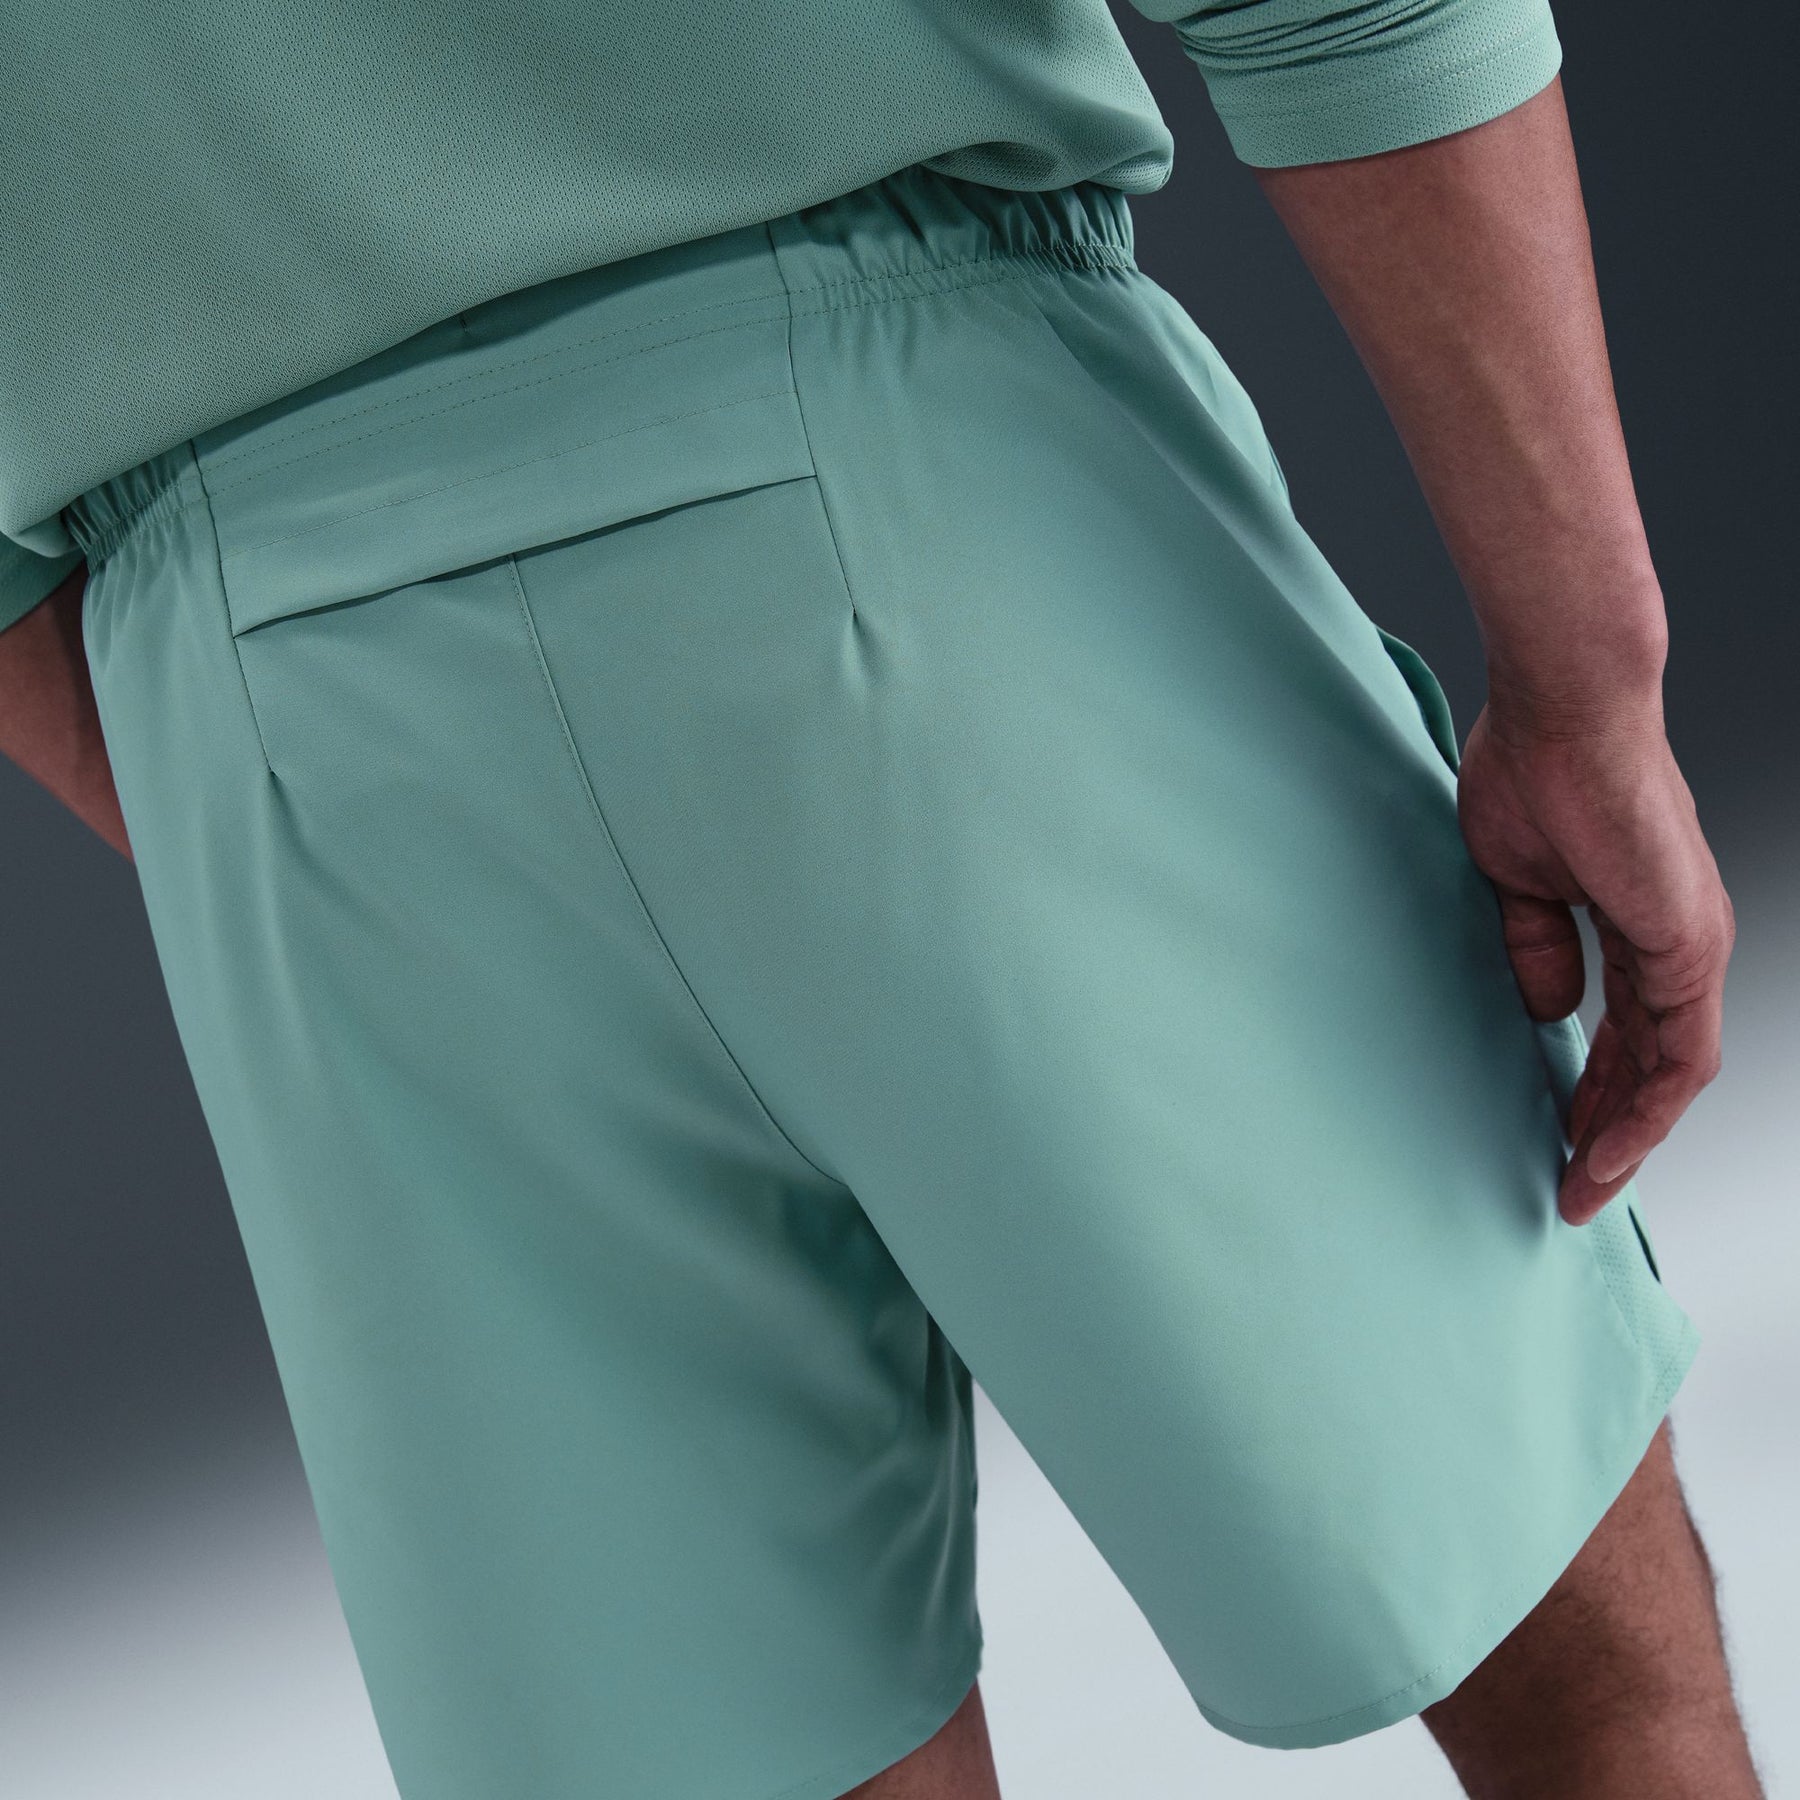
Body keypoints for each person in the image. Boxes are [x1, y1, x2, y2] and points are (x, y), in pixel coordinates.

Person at [0, 2, 1759, 1796]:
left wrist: (286, 817)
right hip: (924, 476)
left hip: (271, 698)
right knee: (1585, 1693)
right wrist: (1589, 687)